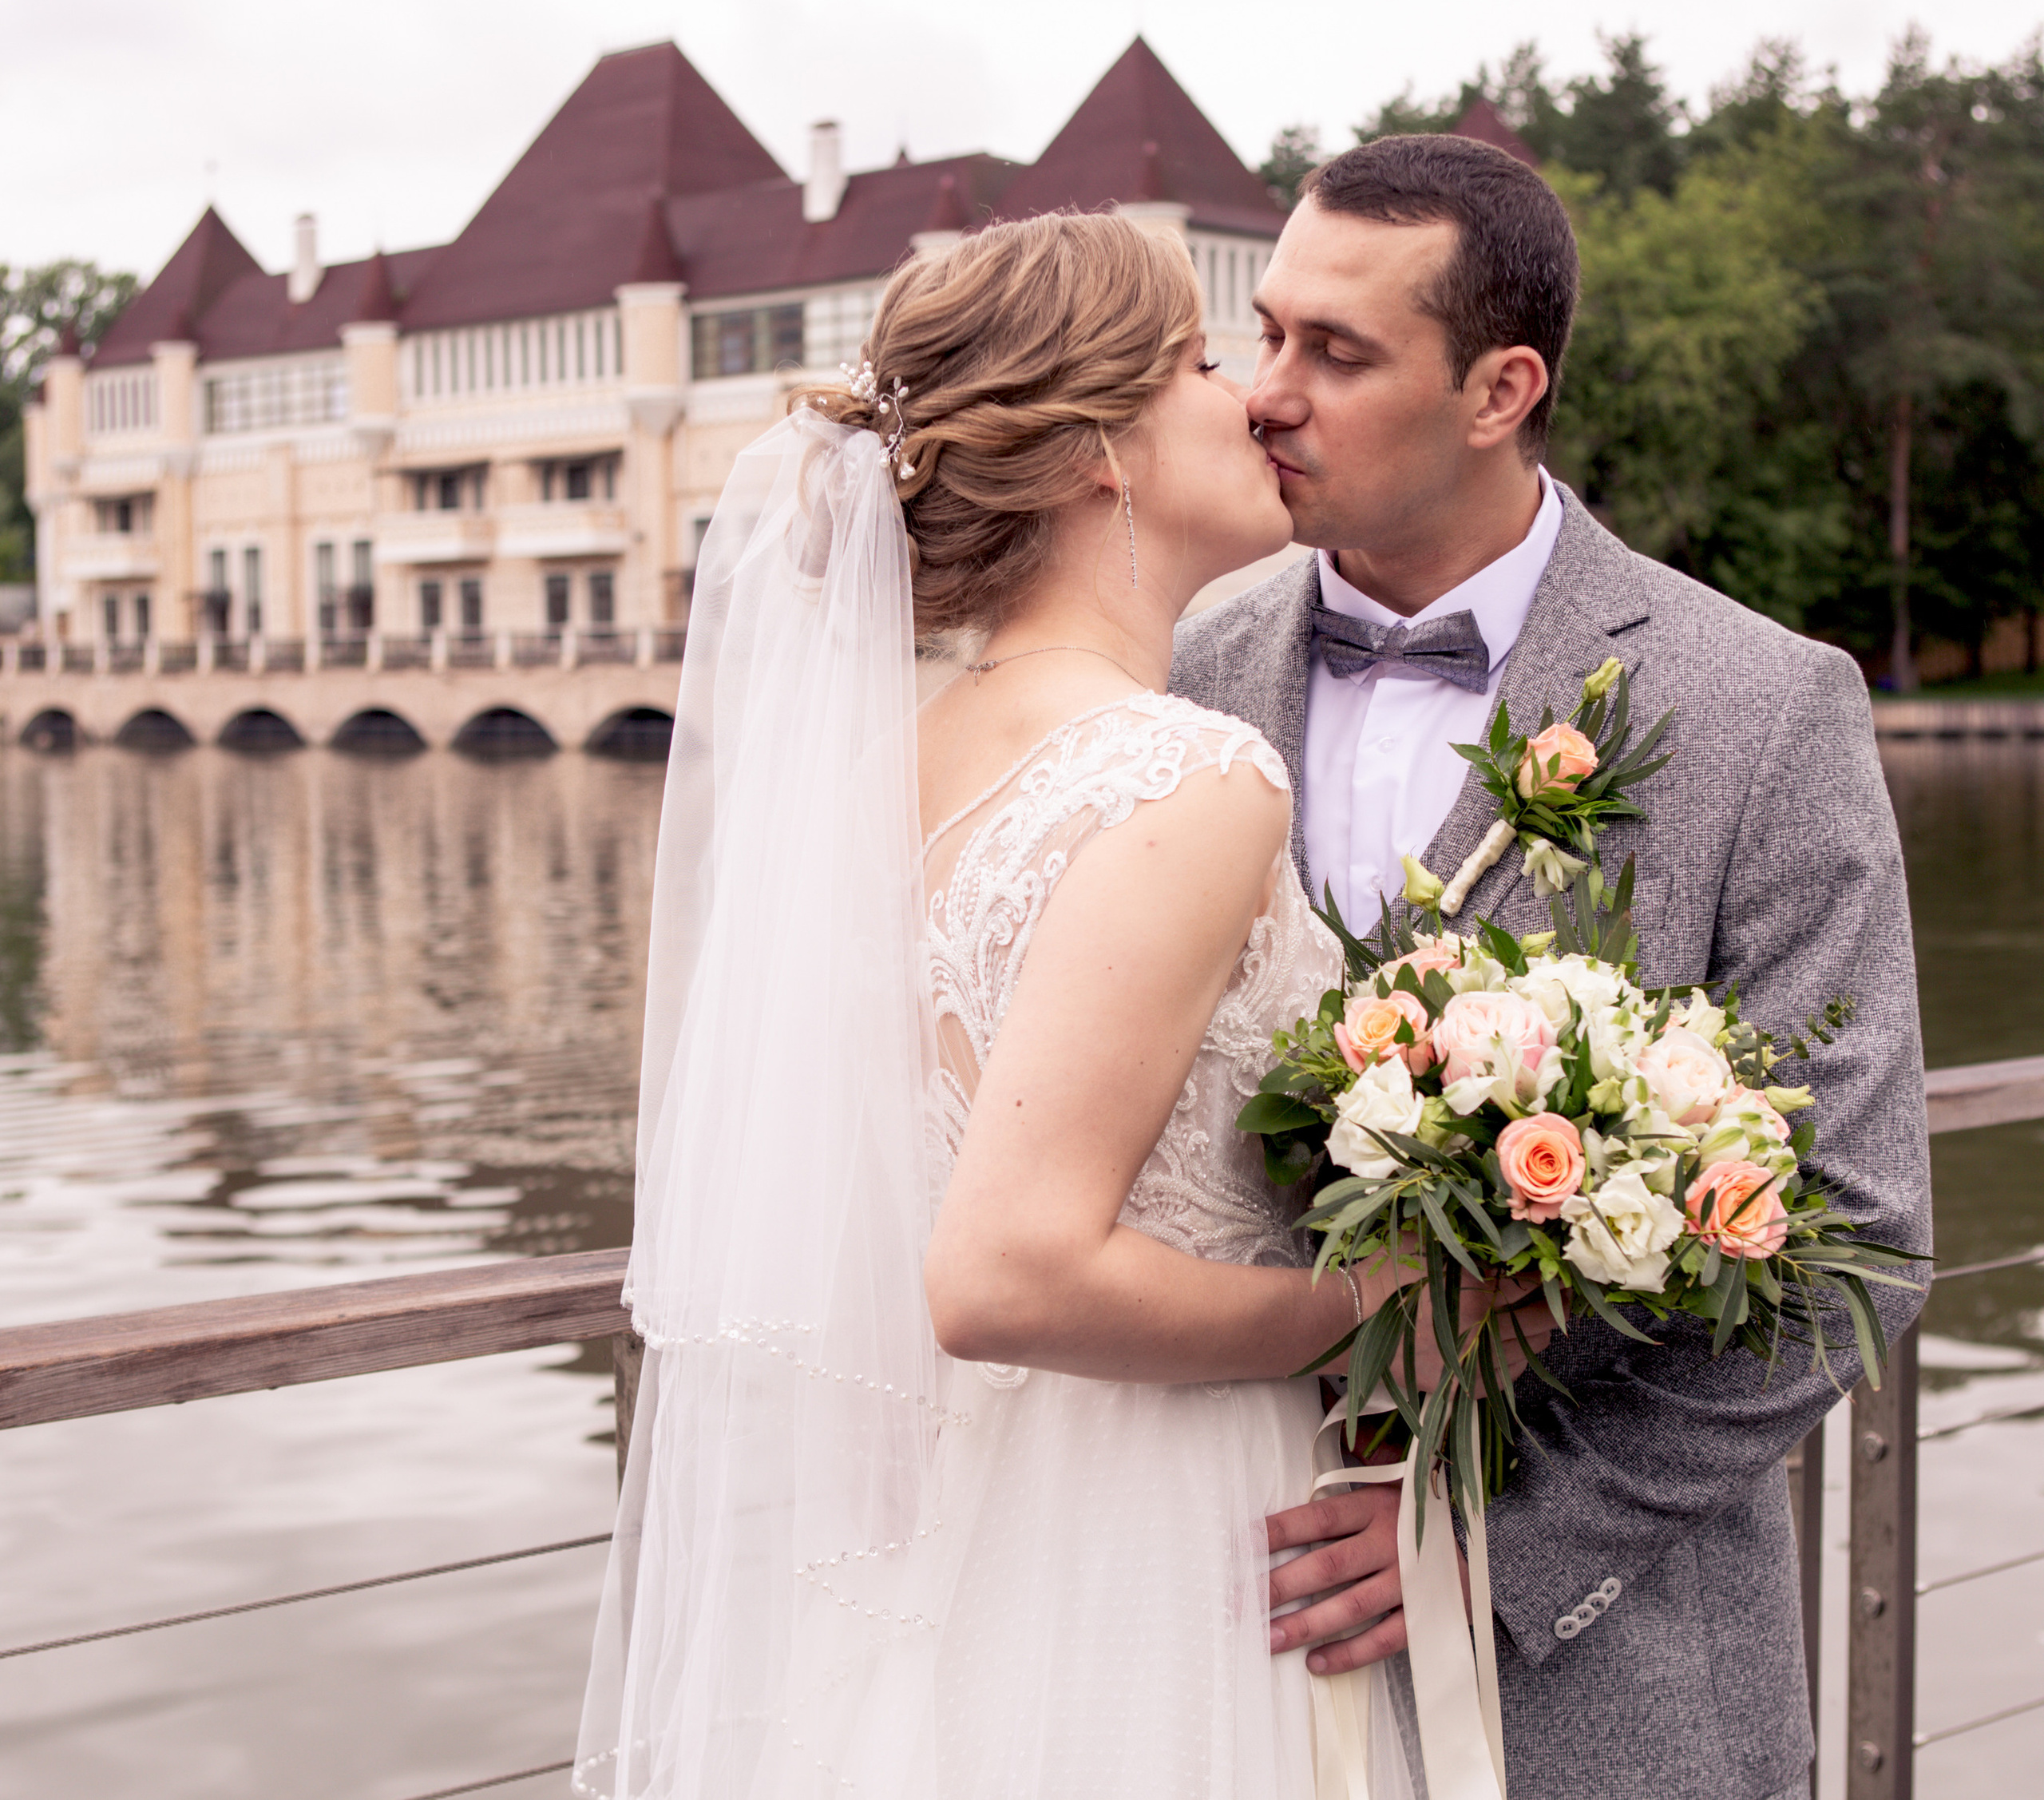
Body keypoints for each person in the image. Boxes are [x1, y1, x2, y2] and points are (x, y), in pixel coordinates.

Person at [574, 211, 1538, 1799]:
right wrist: (1370, 1302)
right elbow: (1002, 1270)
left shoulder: (893, 764)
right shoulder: (1183, 772)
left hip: (962, 1525)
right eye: (1204, 361)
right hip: (1150, 1538)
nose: (1254, 398)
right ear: (1100, 447)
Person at [1171, 134, 1935, 1800]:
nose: (1263, 394)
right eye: (1265, 331)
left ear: (1499, 385)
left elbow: (1856, 1240)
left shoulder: (1762, 709)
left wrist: (1496, 1546)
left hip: (1614, 1685)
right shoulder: (1177, 666)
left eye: (1336, 352)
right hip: (1200, 1629)